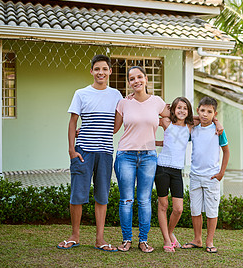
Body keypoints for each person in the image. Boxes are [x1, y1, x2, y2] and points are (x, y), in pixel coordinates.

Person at [57, 54, 122, 252]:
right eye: (97, 69)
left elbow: (117, 123)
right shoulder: (81, 93)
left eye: (104, 69)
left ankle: (100, 239)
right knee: (78, 195)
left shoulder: (116, 95)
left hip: (105, 153)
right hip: (83, 151)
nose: (100, 72)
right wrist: (71, 149)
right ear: (91, 71)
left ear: (110, 71)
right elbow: (73, 122)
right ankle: (75, 236)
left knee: (102, 196)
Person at [113, 66, 170, 253]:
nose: (136, 80)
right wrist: (86, 131)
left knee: (145, 200)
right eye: (132, 78)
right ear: (129, 83)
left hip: (148, 157)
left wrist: (214, 122)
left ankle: (143, 241)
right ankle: (126, 240)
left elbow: (178, 116)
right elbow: (113, 129)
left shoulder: (157, 102)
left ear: (146, 79)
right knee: (126, 200)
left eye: (139, 77)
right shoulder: (123, 103)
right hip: (125, 155)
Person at [181, 96, 230, 254]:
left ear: (214, 113)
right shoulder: (193, 129)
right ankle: (197, 239)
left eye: (209, 112)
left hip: (211, 177)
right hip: (195, 176)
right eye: (202, 110)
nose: (205, 114)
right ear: (197, 111)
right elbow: (186, 122)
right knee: (195, 210)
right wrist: (214, 119)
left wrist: (221, 172)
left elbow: (226, 151)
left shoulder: (218, 130)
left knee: (211, 211)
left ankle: (209, 241)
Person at [154, 97, 194, 252]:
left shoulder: (190, 126)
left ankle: (170, 233)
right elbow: (148, 118)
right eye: (178, 108)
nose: (182, 111)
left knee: (178, 209)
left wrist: (217, 122)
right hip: (162, 167)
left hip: (177, 170)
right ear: (173, 110)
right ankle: (166, 240)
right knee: (163, 205)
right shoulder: (166, 122)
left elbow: (204, 118)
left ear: (188, 111)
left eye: (185, 108)